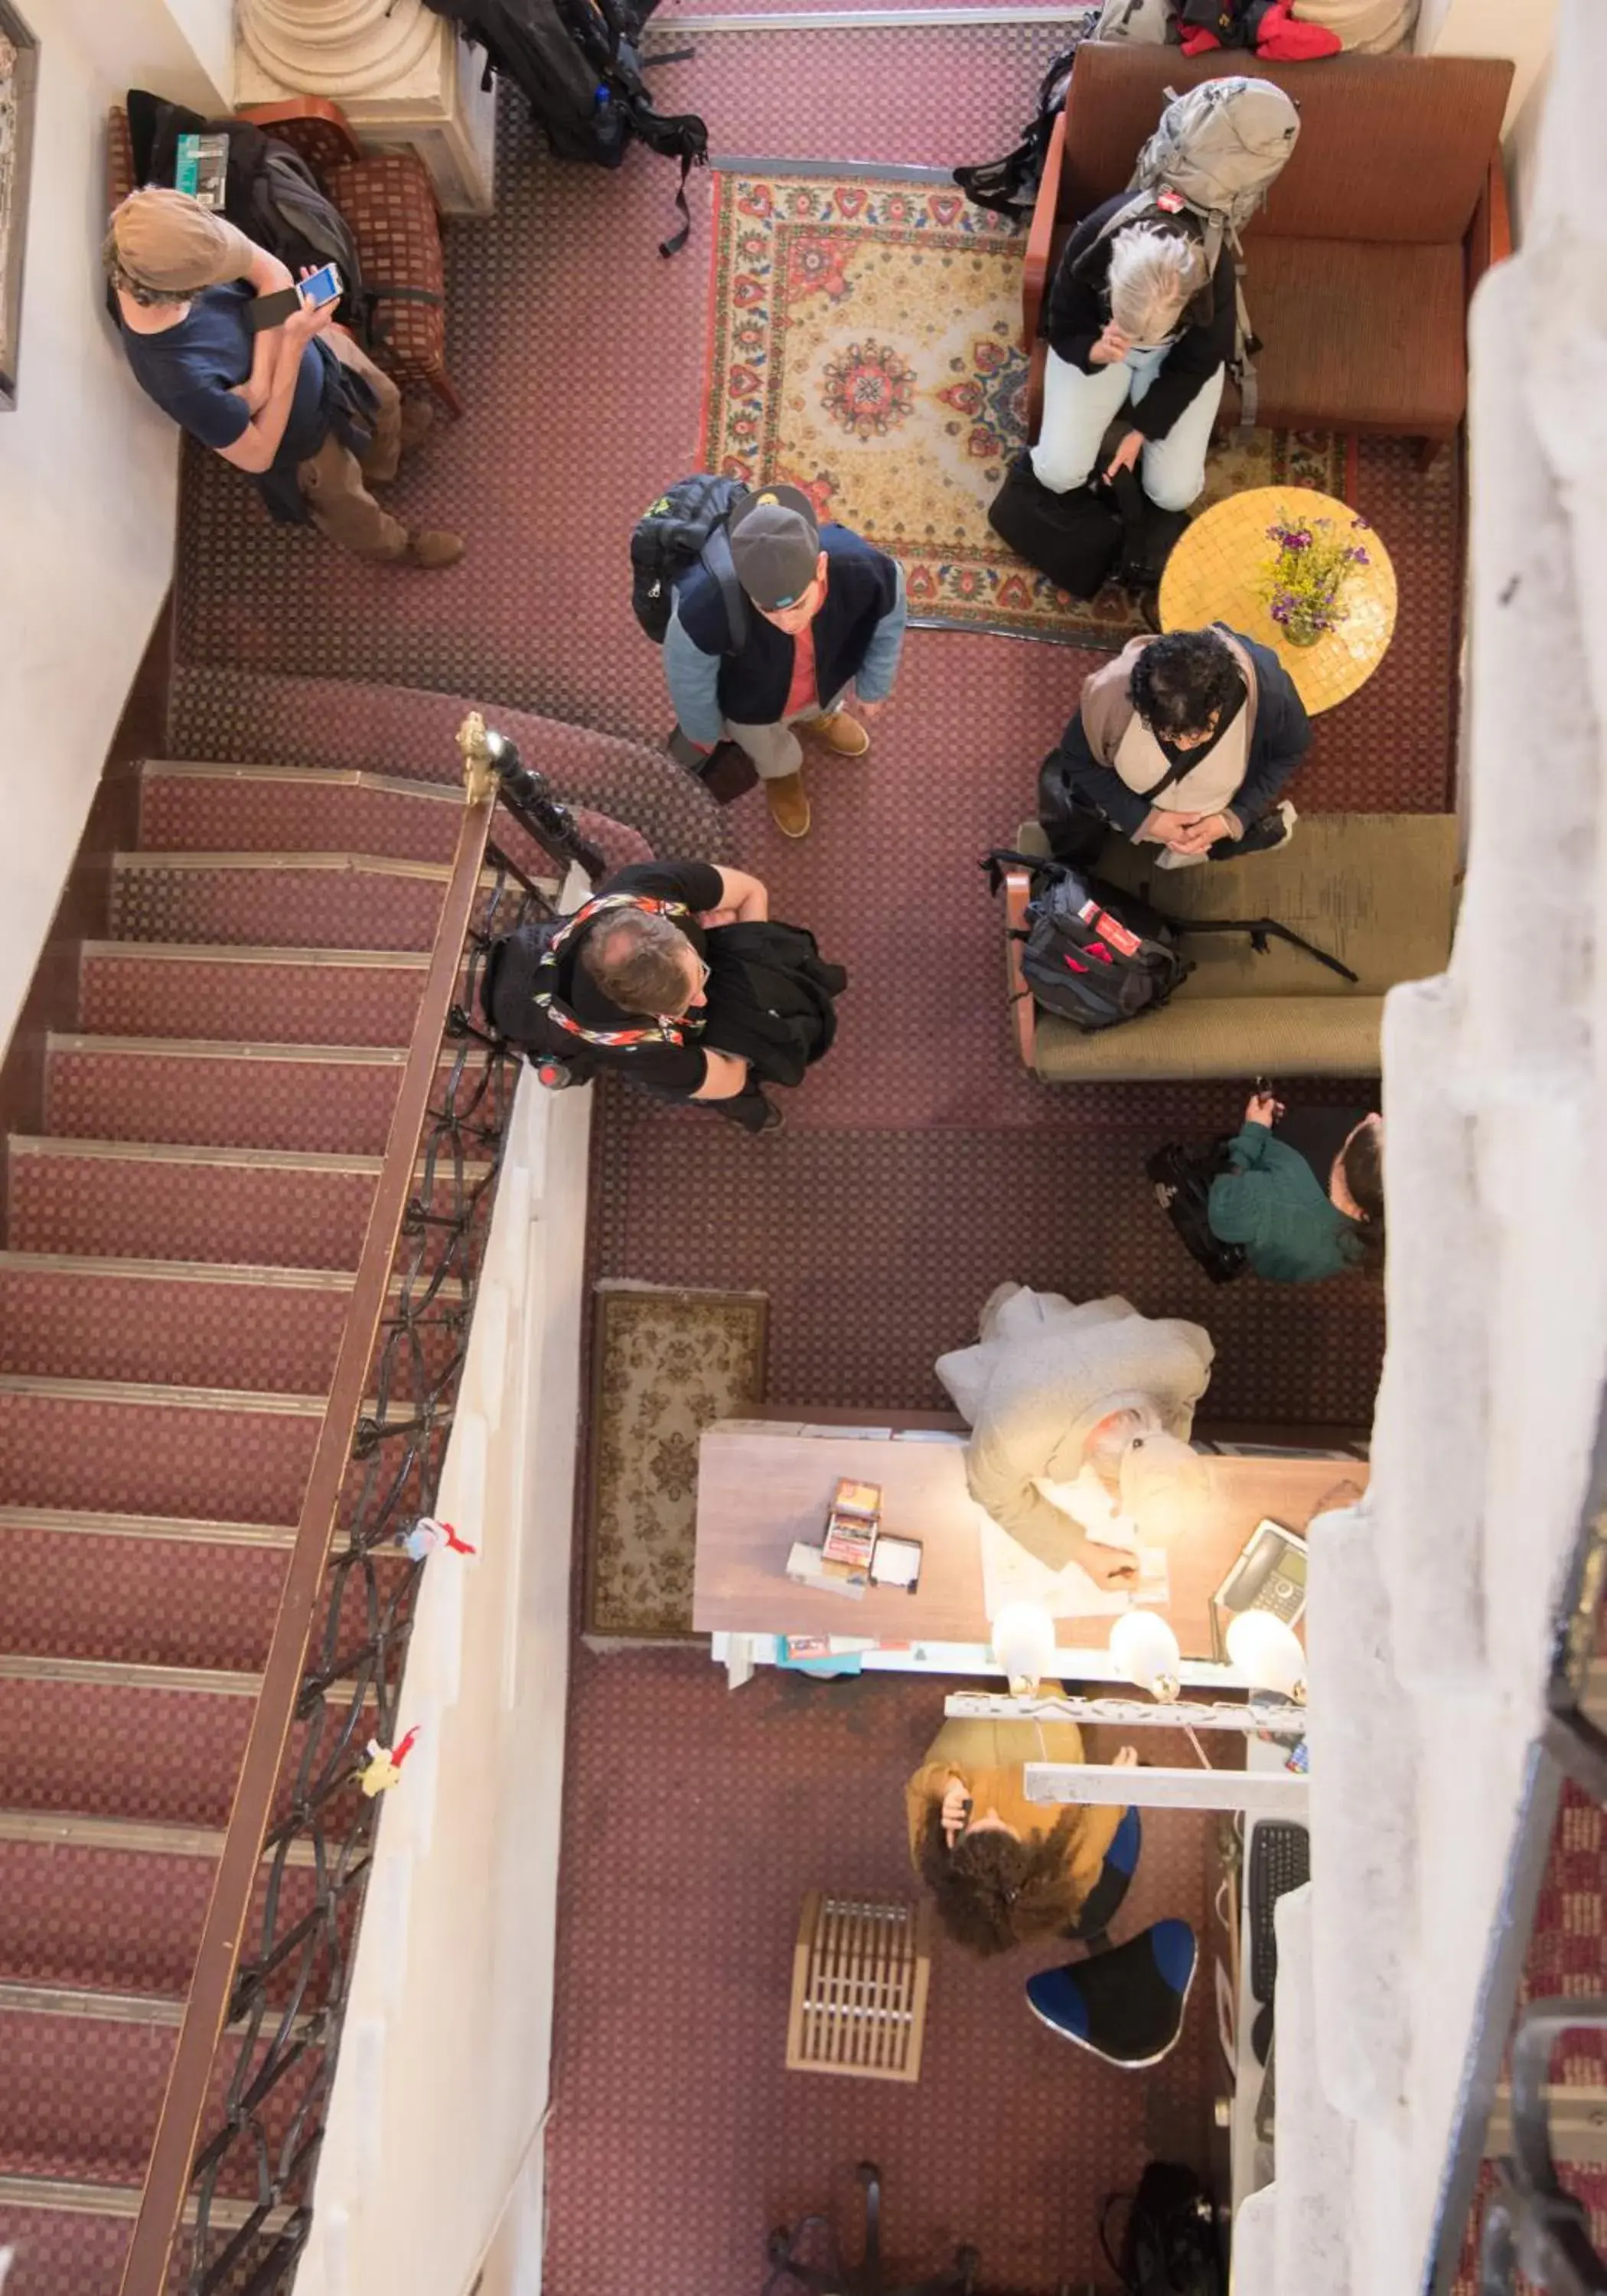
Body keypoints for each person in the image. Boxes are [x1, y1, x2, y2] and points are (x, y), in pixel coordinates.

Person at [106, 187, 463, 567]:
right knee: (350, 506)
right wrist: (290, 345)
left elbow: (270, 273)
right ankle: (398, 548)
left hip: (318, 354)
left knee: (385, 399)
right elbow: (258, 455)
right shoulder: (178, 378)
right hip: (301, 437)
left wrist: (261, 382)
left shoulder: (174, 235)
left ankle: (380, 464)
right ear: (178, 291)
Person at [663, 483, 906, 840]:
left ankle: (820, 718)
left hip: (828, 676)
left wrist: (874, 687)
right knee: (771, 751)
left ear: (821, 568)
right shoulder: (704, 604)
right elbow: (688, 676)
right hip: (753, 709)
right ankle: (782, 774)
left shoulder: (867, 571)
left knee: (821, 702)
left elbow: (888, 624)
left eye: (797, 606)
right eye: (769, 611)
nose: (788, 623)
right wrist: (704, 731)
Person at [536, 857, 844, 1134]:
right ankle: (754, 1114)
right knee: (728, 1094)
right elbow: (730, 1081)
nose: (703, 1000)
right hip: (684, 1049)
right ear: (642, 1012)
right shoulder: (645, 1051)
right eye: (687, 1002)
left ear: (669, 928)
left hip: (699, 1010)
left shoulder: (646, 886)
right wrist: (742, 1037)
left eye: (699, 973)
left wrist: (745, 944)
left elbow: (752, 890)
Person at [935, 1287, 1213, 1580]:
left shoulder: (1183, 1362)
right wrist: (1083, 1553)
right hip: (1013, 1369)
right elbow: (990, 1492)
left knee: (1059, 1323)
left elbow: (1187, 1393)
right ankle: (999, 1312)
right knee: (1002, 1333)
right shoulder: (1018, 1433)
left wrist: (1159, 1464)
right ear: (1111, 1483)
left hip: (1094, 1330)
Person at [1039, 624, 1311, 869]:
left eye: (1199, 733)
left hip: (1213, 821)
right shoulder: (1110, 694)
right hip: (1124, 812)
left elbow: (1289, 753)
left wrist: (1236, 816)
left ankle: (1224, 844)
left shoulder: (1273, 698)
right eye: (1168, 735)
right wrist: (1142, 819)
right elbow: (1076, 757)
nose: (1183, 746)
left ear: (1223, 701)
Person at [1032, 210, 1232, 511]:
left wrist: (1142, 431)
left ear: (1188, 303)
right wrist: (1094, 351)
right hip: (1098, 336)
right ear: (1110, 281)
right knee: (1057, 474)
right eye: (1129, 329)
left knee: (1173, 495)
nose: (1136, 342)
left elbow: (1199, 361)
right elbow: (1063, 325)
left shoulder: (1214, 270)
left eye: (1145, 335)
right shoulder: (1090, 243)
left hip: (1175, 355)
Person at [907, 1715, 1139, 1955]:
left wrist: (945, 1787)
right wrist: (1117, 1786)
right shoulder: (1069, 1872)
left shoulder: (928, 1858)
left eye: (977, 1824)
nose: (992, 1812)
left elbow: (916, 1786)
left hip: (972, 1719)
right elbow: (1105, 1816)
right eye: (1004, 1827)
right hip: (1041, 1722)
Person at [1206, 1089, 1384, 1283]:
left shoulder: (1274, 1198)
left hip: (1268, 1239)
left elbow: (1223, 1211)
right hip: (1305, 1259)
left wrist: (1253, 1132)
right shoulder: (1378, 1226)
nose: (1374, 1116)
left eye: (1374, 1127)